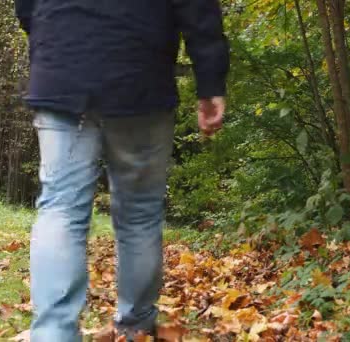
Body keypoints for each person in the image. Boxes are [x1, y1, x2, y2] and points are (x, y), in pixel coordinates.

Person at [14, 0, 229, 340]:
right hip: (139, 73)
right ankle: (136, 326)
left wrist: (53, 38)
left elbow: (26, 7)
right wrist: (211, 82)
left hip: (61, 67)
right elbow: (198, 10)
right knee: (140, 214)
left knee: (60, 208)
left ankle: (53, 333)